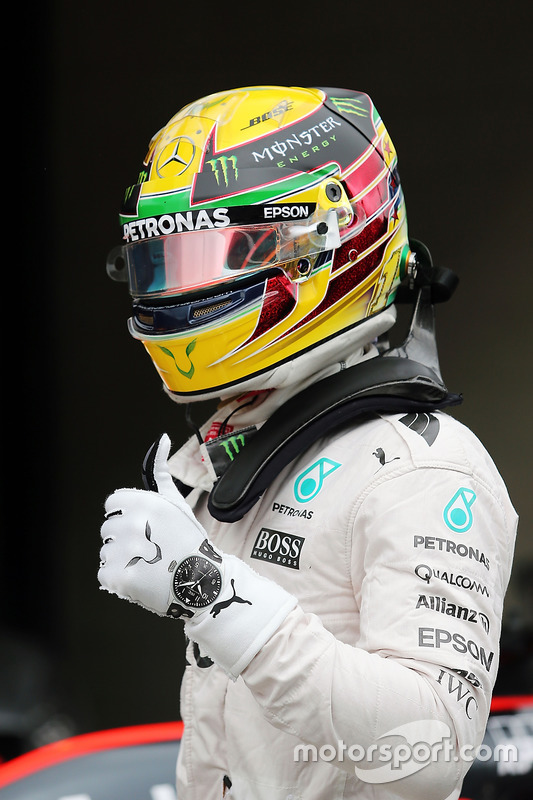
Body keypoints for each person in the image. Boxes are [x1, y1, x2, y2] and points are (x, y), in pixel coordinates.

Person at [99, 85, 518, 800]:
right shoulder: (242, 448)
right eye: (164, 259)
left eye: (210, 254)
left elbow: (429, 752)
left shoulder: (421, 467)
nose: (177, 287)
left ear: (319, 243)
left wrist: (212, 596)